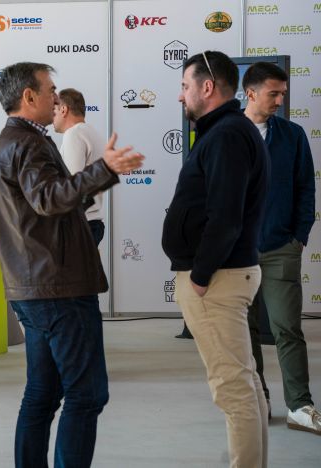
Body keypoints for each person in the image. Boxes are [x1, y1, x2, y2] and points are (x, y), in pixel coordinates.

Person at [0, 62, 143, 468]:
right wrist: (103, 169)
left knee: (41, 394)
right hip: (57, 287)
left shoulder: (11, 143)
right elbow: (49, 199)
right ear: (29, 96)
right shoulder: (29, 144)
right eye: (50, 90)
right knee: (86, 395)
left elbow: (47, 202)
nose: (57, 98)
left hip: (35, 287)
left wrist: (99, 176)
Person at [162, 51, 270, 467]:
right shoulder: (226, 131)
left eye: (185, 86)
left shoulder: (226, 135)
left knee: (233, 388)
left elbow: (225, 216)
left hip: (217, 280)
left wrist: (201, 275)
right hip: (223, 275)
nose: (180, 96)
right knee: (244, 383)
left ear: (207, 87)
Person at [242, 61, 320, 435]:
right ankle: (258, 400)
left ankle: (300, 406)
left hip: (280, 249)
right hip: (234, 255)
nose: (280, 100)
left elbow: (306, 187)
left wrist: (298, 236)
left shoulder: (293, 135)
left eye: (283, 94)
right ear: (250, 93)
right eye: (274, 93)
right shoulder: (225, 134)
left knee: (287, 328)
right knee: (244, 333)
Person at [52, 88, 107, 245]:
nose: (51, 117)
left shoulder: (74, 134)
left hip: (78, 225)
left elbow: (71, 188)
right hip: (90, 223)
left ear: (64, 110)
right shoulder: (92, 132)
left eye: (54, 111)